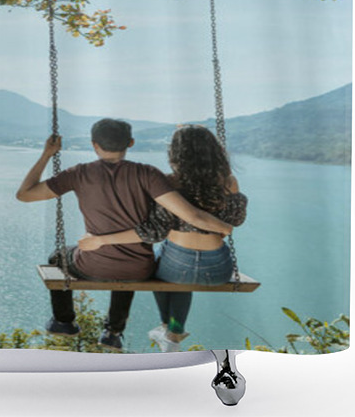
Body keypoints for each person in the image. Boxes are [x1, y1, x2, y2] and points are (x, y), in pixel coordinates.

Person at [16, 118, 234, 351]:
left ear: (94, 144)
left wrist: (47, 154)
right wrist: (222, 225)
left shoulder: (77, 174)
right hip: (140, 268)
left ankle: (64, 321)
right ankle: (114, 332)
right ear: (130, 142)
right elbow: (187, 215)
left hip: (92, 265)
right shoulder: (149, 174)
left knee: (58, 256)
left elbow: (25, 194)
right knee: (131, 265)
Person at [78, 124, 247, 352]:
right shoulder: (228, 181)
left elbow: (153, 231)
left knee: (158, 268)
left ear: (176, 153)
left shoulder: (169, 183)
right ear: (213, 151)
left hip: (177, 264)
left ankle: (171, 329)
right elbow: (235, 221)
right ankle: (172, 333)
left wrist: (102, 239)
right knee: (174, 274)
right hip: (218, 268)